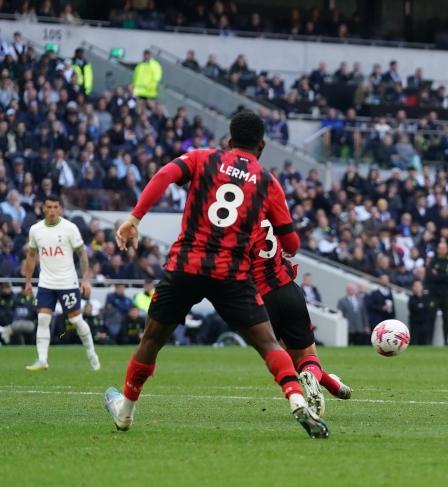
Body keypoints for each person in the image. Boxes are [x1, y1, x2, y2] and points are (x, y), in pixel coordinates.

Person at [104, 110, 328, 438]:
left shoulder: (202, 158)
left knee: (151, 340)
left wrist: (135, 218)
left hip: (186, 266)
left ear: (229, 139)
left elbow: (164, 175)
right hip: (231, 275)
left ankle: (125, 411)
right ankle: (296, 399)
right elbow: (292, 244)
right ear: (262, 145)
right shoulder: (268, 182)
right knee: (268, 343)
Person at [250, 215, 352, 418]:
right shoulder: (267, 209)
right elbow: (292, 244)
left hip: (261, 298)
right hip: (287, 289)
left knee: (282, 353)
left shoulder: (237, 219)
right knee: (307, 356)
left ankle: (318, 386)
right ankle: (330, 384)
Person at [21, 195, 100, 371]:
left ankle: (92, 355)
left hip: (67, 283)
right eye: (49, 207)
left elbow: (82, 254)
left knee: (76, 320)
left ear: (61, 209)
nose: (52, 211)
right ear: (43, 209)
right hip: (46, 283)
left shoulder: (70, 228)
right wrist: (28, 282)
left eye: (55, 207)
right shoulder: (35, 230)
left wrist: (85, 279)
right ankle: (42, 359)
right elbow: (31, 256)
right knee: (43, 318)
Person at [424, 241, 448, 345]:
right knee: (431, 317)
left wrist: (439, 275)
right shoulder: (433, 262)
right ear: (438, 249)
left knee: (446, 317)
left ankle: (446, 341)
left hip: (446, 295)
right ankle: (429, 341)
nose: (442, 250)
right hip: (434, 294)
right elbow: (430, 277)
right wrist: (445, 275)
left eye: (444, 248)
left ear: (447, 250)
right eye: (440, 248)